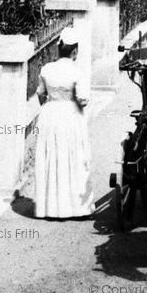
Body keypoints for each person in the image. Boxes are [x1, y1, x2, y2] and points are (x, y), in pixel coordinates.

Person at [34, 26, 94, 218]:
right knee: (73, 158)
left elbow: (41, 94)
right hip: (70, 115)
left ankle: (50, 208)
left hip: (50, 115)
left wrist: (53, 101)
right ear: (75, 51)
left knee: (52, 157)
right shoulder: (77, 72)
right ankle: (76, 207)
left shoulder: (46, 69)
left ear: (59, 49)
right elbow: (83, 99)